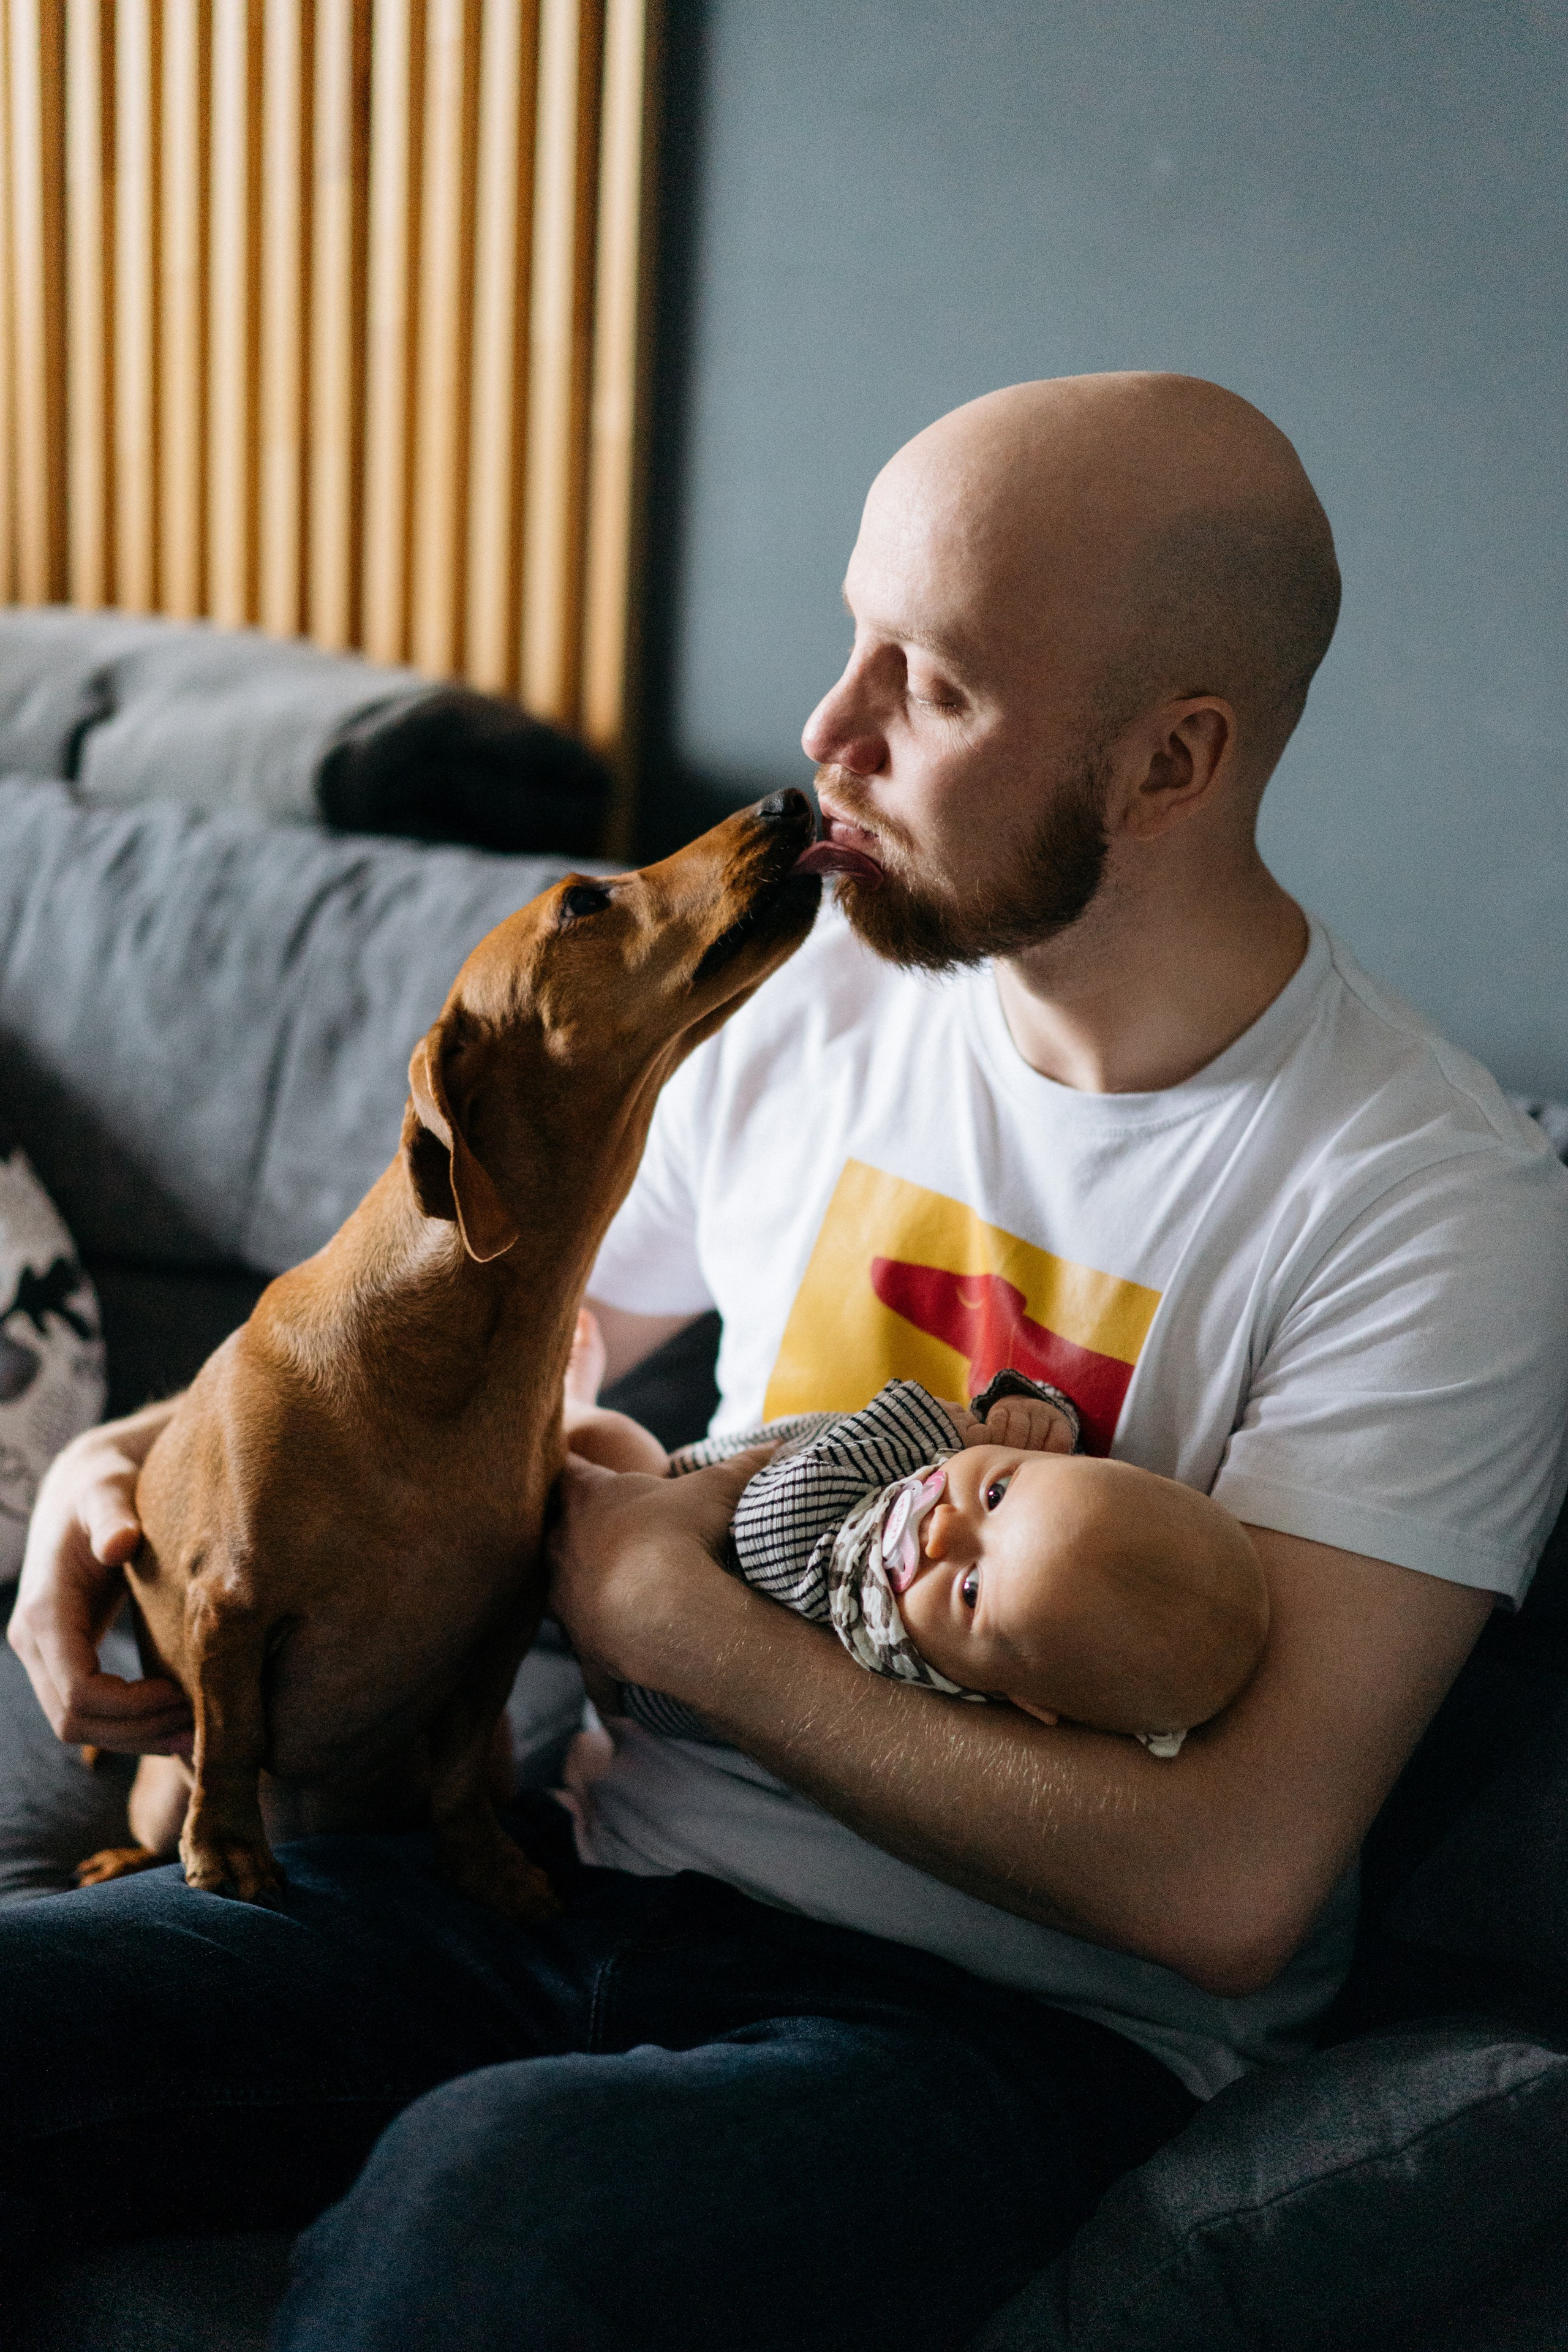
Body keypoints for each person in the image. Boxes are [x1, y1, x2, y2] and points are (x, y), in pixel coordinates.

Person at [6, 373, 1568, 2352]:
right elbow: (480, 1343)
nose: (828, 736)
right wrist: (130, 1461)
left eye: (936, 689)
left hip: (999, 2025)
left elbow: (1230, 1886)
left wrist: (686, 1632)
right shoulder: (816, 986)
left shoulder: (1430, 1205)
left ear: (1173, 763)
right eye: (855, 640)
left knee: (502, 2211)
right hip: (574, 1876)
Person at [562, 1309, 1270, 1748]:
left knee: (612, 1453)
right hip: (687, 1517)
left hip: (657, 1580)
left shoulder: (886, 1634)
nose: (939, 1532)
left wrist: (925, 1425)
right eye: (997, 1491)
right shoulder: (1047, 1564)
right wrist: (1035, 1414)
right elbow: (1044, 1461)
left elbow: (767, 1533)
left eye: (969, 1588)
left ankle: (570, 1410)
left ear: (1023, 1700)